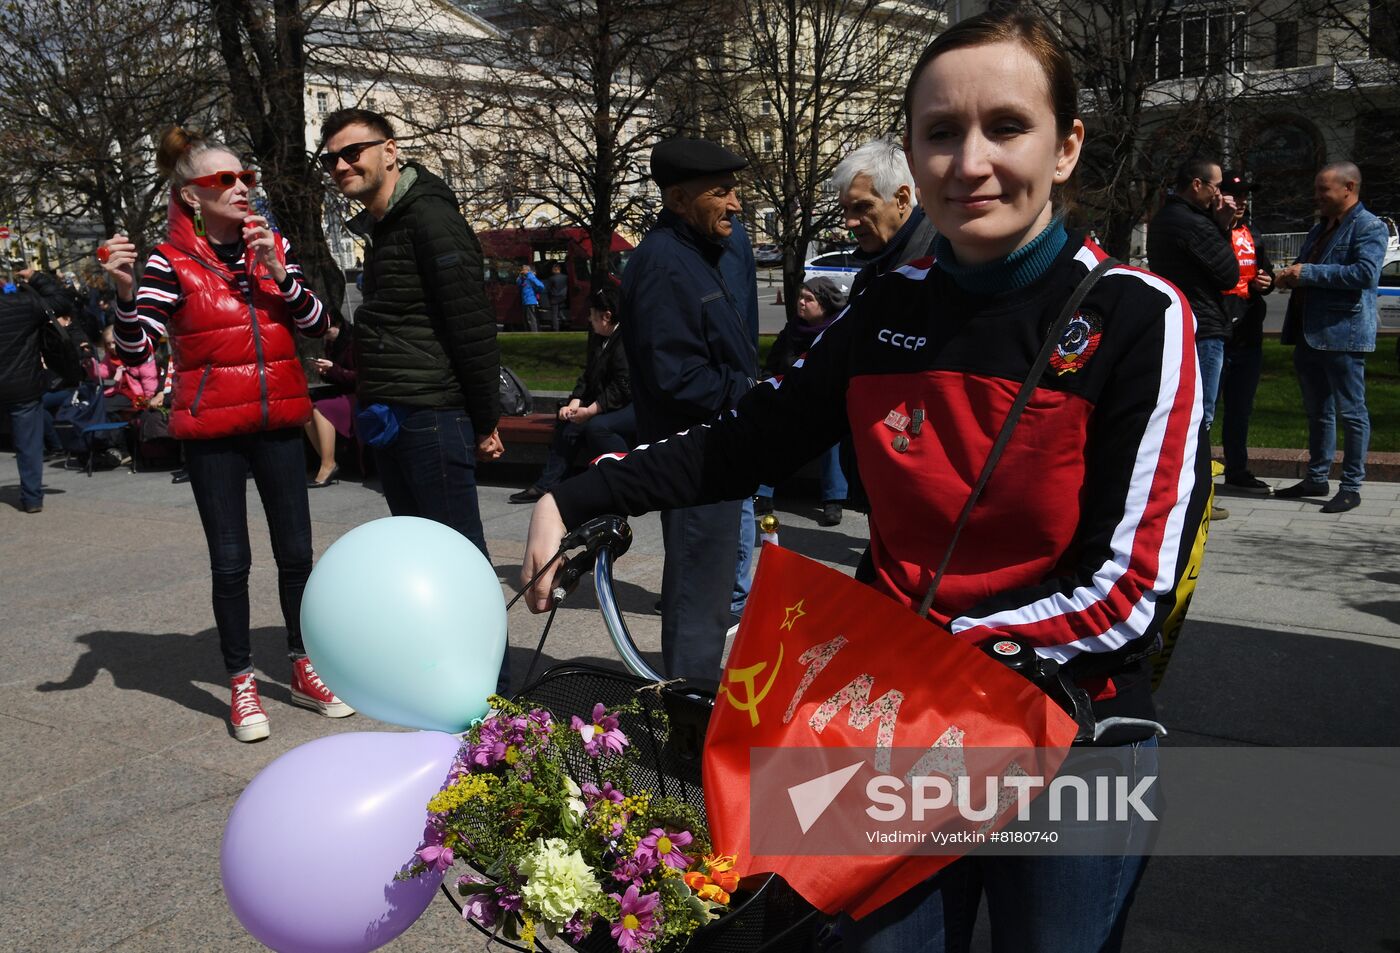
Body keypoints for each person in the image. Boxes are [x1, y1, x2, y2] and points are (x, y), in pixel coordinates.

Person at [522, 11, 1207, 950]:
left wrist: (932, 659)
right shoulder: (888, 307)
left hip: (1068, 741)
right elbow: (744, 439)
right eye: (940, 132)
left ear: (1065, 148)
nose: (970, 161)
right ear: (915, 157)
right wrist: (578, 493)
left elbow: (1129, 587)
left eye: (1006, 126)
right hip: (893, 733)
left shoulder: (1137, 315)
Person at [99, 126, 351, 743]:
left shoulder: (270, 244)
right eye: (225, 180)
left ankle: (302, 663)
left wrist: (278, 272)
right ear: (191, 196)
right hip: (212, 429)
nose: (242, 188)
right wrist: (126, 294)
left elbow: (320, 325)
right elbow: (137, 352)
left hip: (277, 421)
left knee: (296, 554)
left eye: (247, 178)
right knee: (230, 561)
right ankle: (241, 680)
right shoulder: (170, 260)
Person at [320, 108, 508, 692]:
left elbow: (471, 324)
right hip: (395, 412)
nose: (342, 165)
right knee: (420, 557)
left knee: (457, 559)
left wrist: (485, 420)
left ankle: (491, 696)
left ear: (391, 150)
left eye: (354, 152)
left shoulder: (428, 218)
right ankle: (442, 678)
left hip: (433, 413)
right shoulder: (386, 225)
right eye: (332, 159)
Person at [612, 136, 759, 684]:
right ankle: (687, 714)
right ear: (677, 200)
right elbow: (675, 378)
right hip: (694, 458)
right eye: (721, 192)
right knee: (699, 597)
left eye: (735, 190)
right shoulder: (663, 264)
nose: (736, 203)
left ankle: (691, 697)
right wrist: (750, 387)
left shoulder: (700, 252)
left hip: (716, 451)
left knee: (709, 591)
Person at [1274, 161, 1389, 514]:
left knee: (1352, 412)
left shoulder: (1369, 227)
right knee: (1318, 412)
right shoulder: (1320, 228)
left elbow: (1365, 274)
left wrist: (1307, 273)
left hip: (1343, 334)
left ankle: (1352, 486)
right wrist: (1287, 276)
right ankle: (1317, 477)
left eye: (1323, 189)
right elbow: (1307, 266)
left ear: (1348, 188)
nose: (1317, 196)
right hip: (1309, 333)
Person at [1146, 157, 1238, 521]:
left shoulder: (1166, 217)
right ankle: (1196, 499)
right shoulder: (1192, 223)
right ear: (1197, 185)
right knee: (1202, 417)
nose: (1221, 193)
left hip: (1184, 323)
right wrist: (1223, 227)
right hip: (1204, 328)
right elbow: (1229, 273)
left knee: (1187, 414)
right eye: (1216, 185)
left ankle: (1185, 495)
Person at [509, 286, 635, 504]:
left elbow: (622, 389)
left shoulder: (624, 340)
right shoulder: (599, 338)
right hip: (603, 401)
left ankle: (622, 478)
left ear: (606, 316)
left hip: (628, 405)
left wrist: (589, 410)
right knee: (566, 421)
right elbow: (588, 375)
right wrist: (575, 402)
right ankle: (548, 484)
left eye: (592, 314)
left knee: (591, 427)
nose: (589, 319)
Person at [756, 277, 849, 526]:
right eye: (800, 297)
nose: (801, 303)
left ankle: (834, 500)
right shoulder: (792, 330)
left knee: (831, 432)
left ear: (825, 304)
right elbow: (773, 365)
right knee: (770, 424)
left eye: (809, 299)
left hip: (826, 401)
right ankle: (763, 493)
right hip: (791, 398)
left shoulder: (838, 332)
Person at [1217, 174, 1275, 494]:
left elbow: (1264, 273)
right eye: (1233, 195)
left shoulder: (1254, 233)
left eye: (1244, 196)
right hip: (1217, 334)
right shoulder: (1208, 230)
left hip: (1248, 335)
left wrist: (1269, 281)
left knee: (1240, 409)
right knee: (1205, 410)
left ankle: (1237, 469)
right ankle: (1196, 472)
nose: (1240, 201)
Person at [835, 137, 939, 300]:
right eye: (845, 209)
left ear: (902, 199)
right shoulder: (868, 276)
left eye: (862, 207)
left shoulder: (944, 262)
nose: (849, 222)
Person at [0, 267, 65, 513]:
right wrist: (37, 278)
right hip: (22, 384)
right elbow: (61, 302)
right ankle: (32, 497)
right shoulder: (23, 303)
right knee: (28, 444)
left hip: (19, 383)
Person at [304, 311, 356, 488]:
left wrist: (333, 368)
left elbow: (358, 376)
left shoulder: (354, 340)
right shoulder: (332, 343)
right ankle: (326, 460)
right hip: (342, 391)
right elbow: (337, 377)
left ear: (339, 326)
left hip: (357, 394)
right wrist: (325, 371)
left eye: (328, 332)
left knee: (321, 408)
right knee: (306, 408)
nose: (326, 337)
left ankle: (328, 464)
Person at [517, 262, 546, 333]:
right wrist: (520, 277)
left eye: (523, 270)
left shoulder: (530, 277)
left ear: (527, 270)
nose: (522, 271)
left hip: (531, 301)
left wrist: (537, 291)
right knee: (526, 319)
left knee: (531, 319)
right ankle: (529, 332)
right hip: (525, 301)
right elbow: (519, 286)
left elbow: (541, 286)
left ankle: (534, 332)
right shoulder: (523, 278)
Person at [545, 262, 569, 331]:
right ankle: (564, 321)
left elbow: (548, 288)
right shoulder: (565, 277)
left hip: (554, 297)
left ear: (555, 269)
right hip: (563, 296)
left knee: (554, 314)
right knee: (560, 310)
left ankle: (556, 328)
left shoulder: (551, 278)